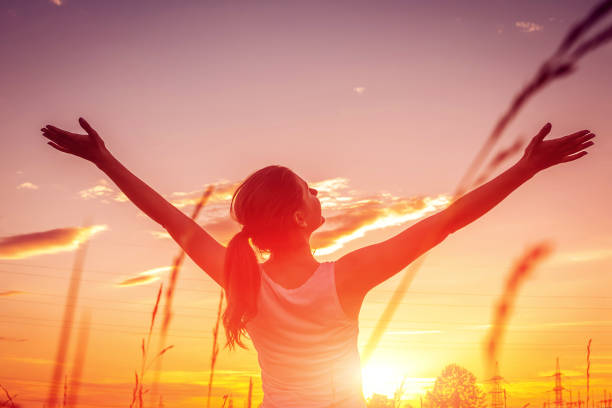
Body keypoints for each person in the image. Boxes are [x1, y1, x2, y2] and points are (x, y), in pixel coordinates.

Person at [40, 118, 595, 407]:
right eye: (310, 191)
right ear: (301, 218)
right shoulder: (347, 277)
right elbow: (444, 223)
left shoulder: (241, 276)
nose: (317, 195)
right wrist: (526, 168)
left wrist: (104, 159)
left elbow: (171, 220)